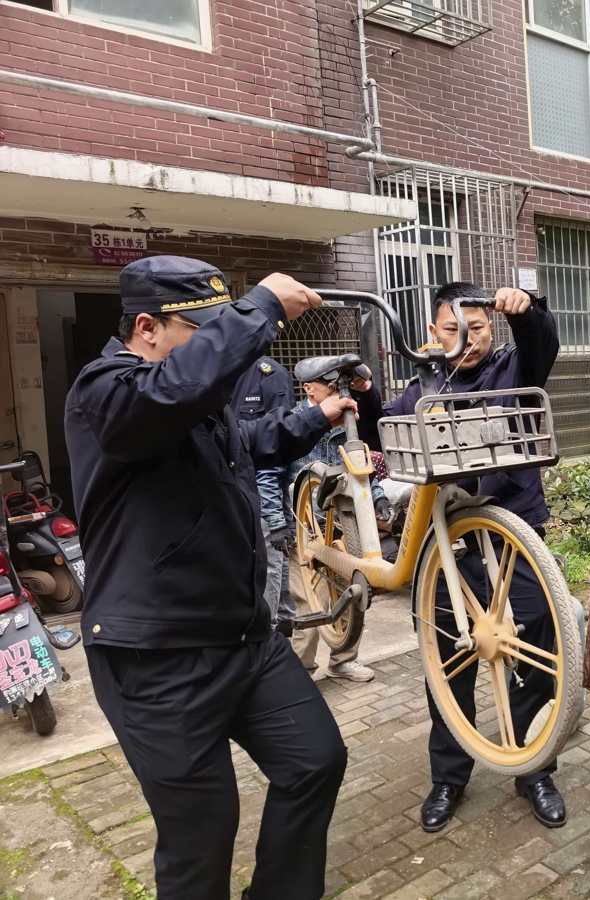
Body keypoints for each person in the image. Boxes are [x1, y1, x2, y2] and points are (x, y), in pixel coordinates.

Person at [65, 256, 356, 900]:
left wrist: (316, 417)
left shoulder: (190, 402)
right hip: (158, 660)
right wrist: (262, 306)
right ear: (147, 327)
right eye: (204, 327)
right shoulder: (105, 392)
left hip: (245, 639)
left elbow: (244, 443)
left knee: (314, 760)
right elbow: (170, 393)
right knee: (202, 833)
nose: (221, 342)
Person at [385, 282, 565, 833]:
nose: (466, 338)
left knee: (540, 643)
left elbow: (542, 342)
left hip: (515, 535)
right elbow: (384, 427)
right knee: (447, 658)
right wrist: (362, 395)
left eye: (477, 327)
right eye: (452, 329)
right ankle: (449, 776)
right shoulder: (423, 385)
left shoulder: (515, 368)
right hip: (448, 545)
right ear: (432, 332)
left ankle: (533, 767)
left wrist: (527, 310)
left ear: (490, 327)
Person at [287, 364, 390, 682]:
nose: (339, 390)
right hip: (302, 528)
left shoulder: (348, 422)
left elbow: (360, 468)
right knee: (307, 603)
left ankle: (343, 661)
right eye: (330, 384)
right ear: (309, 388)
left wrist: (378, 497)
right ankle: (300, 671)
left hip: (342, 526)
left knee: (352, 593)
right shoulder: (290, 424)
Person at [232, 356, 296, 634]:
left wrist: (275, 514)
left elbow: (279, 443)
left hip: (263, 489)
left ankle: (270, 635)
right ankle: (280, 629)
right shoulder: (222, 370)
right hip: (232, 487)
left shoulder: (269, 375)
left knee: (270, 558)